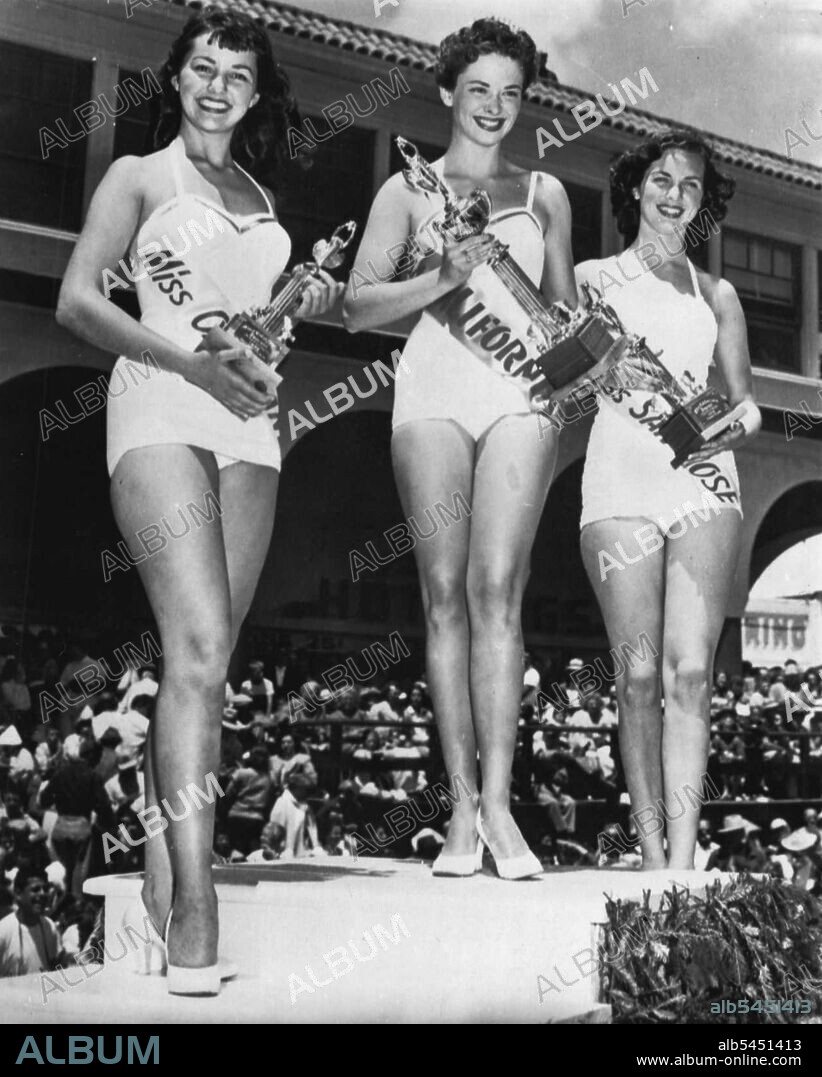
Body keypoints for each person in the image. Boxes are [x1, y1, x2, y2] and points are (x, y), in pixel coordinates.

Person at [55, 7, 342, 994]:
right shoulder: (140, 179)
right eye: (201, 68)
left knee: (207, 668)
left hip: (250, 426)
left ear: (258, 95)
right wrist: (195, 364)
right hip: (159, 405)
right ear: (176, 80)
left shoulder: (262, 196)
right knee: (204, 647)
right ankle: (197, 903)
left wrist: (274, 331)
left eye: (236, 75)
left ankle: (162, 847)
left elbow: (253, 332)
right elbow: (79, 299)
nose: (216, 86)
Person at [342, 18, 576, 879]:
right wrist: (443, 273)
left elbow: (559, 316)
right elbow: (356, 307)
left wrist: (578, 356)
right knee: (443, 593)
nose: (494, 106)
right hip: (435, 387)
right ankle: (462, 812)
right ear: (447, 93)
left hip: (519, 395)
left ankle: (506, 807)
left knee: (497, 588)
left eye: (511, 93)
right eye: (478, 89)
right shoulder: (408, 191)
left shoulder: (546, 194)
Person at [576, 129, 761, 870]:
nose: (674, 192)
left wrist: (727, 430)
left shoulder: (717, 292)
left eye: (690, 183)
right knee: (640, 674)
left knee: (691, 673)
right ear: (635, 188)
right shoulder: (590, 277)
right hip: (619, 475)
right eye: (661, 177)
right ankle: (650, 856)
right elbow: (561, 374)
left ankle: (683, 863)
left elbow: (747, 403)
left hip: (703, 481)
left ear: (703, 202)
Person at [0, 867, 68, 978]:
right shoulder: (3, 931)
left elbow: (57, 968)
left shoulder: (50, 927)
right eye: (35, 889)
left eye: (45, 889)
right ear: (18, 894)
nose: (42, 894)